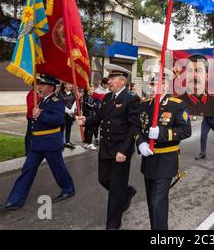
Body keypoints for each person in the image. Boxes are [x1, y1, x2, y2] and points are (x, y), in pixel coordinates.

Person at [0, 75, 75, 211]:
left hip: (50, 143)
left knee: (58, 170)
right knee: (27, 170)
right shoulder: (42, 101)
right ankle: (14, 200)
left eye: (42, 84)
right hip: (37, 144)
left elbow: (57, 120)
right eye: (39, 84)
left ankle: (68, 189)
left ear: (51, 87)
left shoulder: (56, 101)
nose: (38, 86)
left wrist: (40, 115)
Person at [76, 64, 139, 230]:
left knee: (115, 191)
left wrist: (124, 150)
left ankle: (113, 224)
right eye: (109, 78)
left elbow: (134, 127)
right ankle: (128, 192)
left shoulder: (131, 98)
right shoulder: (107, 98)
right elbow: (100, 117)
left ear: (121, 81)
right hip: (106, 147)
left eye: (112, 78)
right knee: (103, 179)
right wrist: (86, 120)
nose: (108, 81)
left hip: (120, 150)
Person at [136, 70, 192, 230]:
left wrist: (162, 133)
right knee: (151, 202)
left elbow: (185, 130)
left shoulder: (177, 105)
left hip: (166, 160)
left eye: (161, 83)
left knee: (157, 202)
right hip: (148, 160)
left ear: (167, 85)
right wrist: (140, 142)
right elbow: (137, 128)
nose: (157, 87)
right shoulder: (145, 106)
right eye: (153, 84)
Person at [24, 85, 42, 154]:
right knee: (30, 134)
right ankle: (28, 150)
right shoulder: (31, 94)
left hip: (37, 116)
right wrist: (40, 109)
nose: (40, 86)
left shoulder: (38, 93)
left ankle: (35, 148)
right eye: (38, 84)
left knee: (36, 134)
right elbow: (31, 106)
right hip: (31, 116)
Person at [59, 83, 76, 150]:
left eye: (71, 84)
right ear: (65, 85)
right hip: (63, 114)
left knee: (69, 128)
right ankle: (60, 143)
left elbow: (75, 102)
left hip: (70, 115)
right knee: (61, 129)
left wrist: (72, 110)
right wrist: (68, 111)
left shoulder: (73, 93)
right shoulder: (61, 93)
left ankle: (68, 142)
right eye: (68, 84)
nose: (70, 86)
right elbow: (60, 104)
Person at [82, 86, 98, 150]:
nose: (93, 91)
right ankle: (90, 143)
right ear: (88, 90)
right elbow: (91, 106)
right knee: (91, 129)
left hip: (87, 114)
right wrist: (95, 105)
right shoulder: (89, 97)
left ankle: (86, 142)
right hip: (89, 115)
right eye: (92, 89)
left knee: (87, 129)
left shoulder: (87, 97)